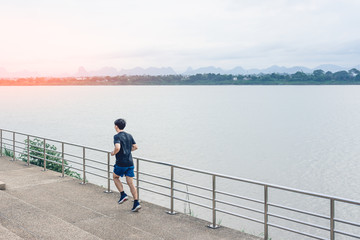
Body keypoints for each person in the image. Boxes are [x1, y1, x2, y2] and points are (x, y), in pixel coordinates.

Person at [111, 118, 141, 212]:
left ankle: (123, 194)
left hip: (121, 163)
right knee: (131, 183)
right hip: (130, 163)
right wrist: (128, 150)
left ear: (116, 126)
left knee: (115, 177)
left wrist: (113, 153)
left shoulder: (117, 136)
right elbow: (135, 147)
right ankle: (136, 202)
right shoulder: (129, 135)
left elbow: (117, 147)